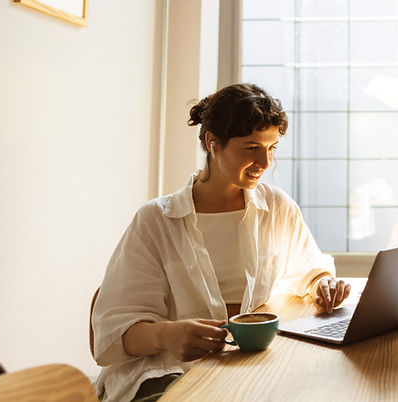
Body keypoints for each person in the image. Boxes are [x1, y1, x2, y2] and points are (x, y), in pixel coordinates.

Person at [91, 83, 352, 402]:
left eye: (272, 148)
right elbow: (112, 332)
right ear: (213, 143)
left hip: (246, 366)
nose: (266, 162)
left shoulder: (277, 208)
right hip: (165, 369)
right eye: (252, 147)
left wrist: (323, 283)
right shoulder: (156, 221)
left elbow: (308, 269)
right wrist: (166, 335)